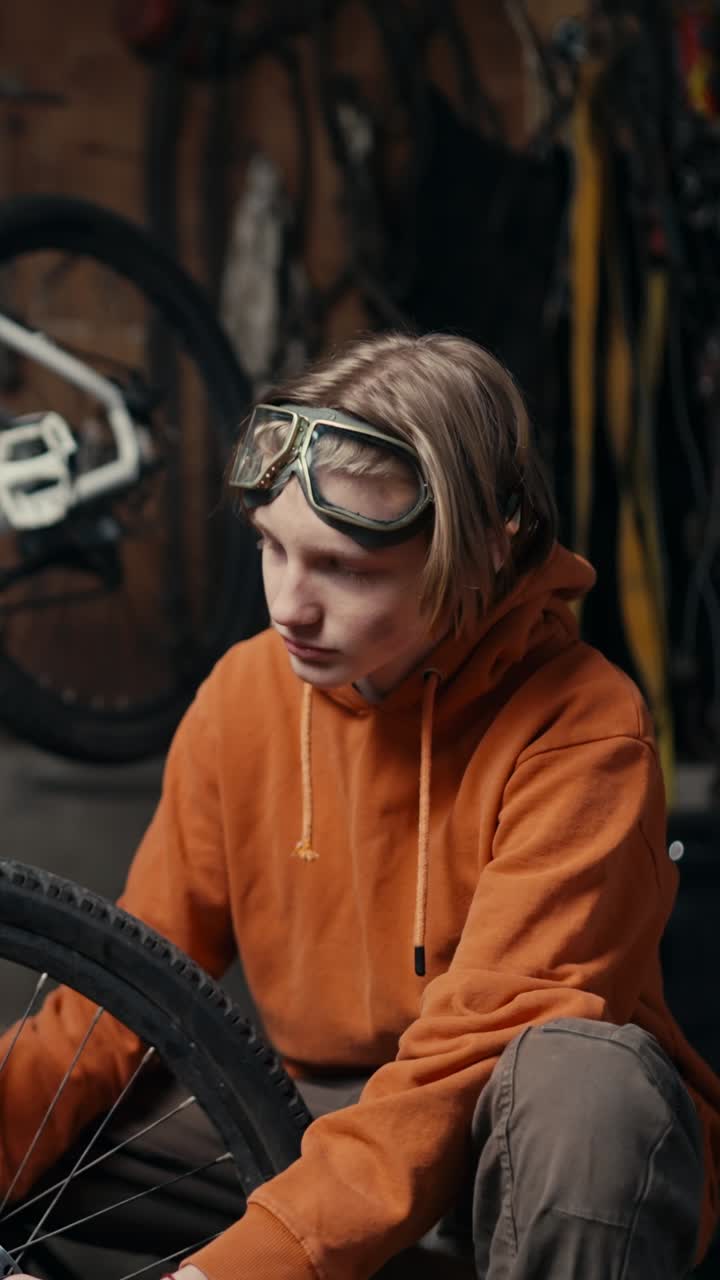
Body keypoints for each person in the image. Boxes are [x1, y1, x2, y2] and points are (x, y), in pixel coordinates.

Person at [2, 331, 720, 1280]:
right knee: (55, 1114)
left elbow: (472, 1057)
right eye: (273, 547)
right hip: (324, 1115)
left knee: (591, 1089)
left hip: (509, 1132)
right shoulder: (244, 694)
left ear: (485, 548)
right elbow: (122, 992)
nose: (289, 607)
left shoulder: (584, 728)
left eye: (345, 569)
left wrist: (227, 1275)